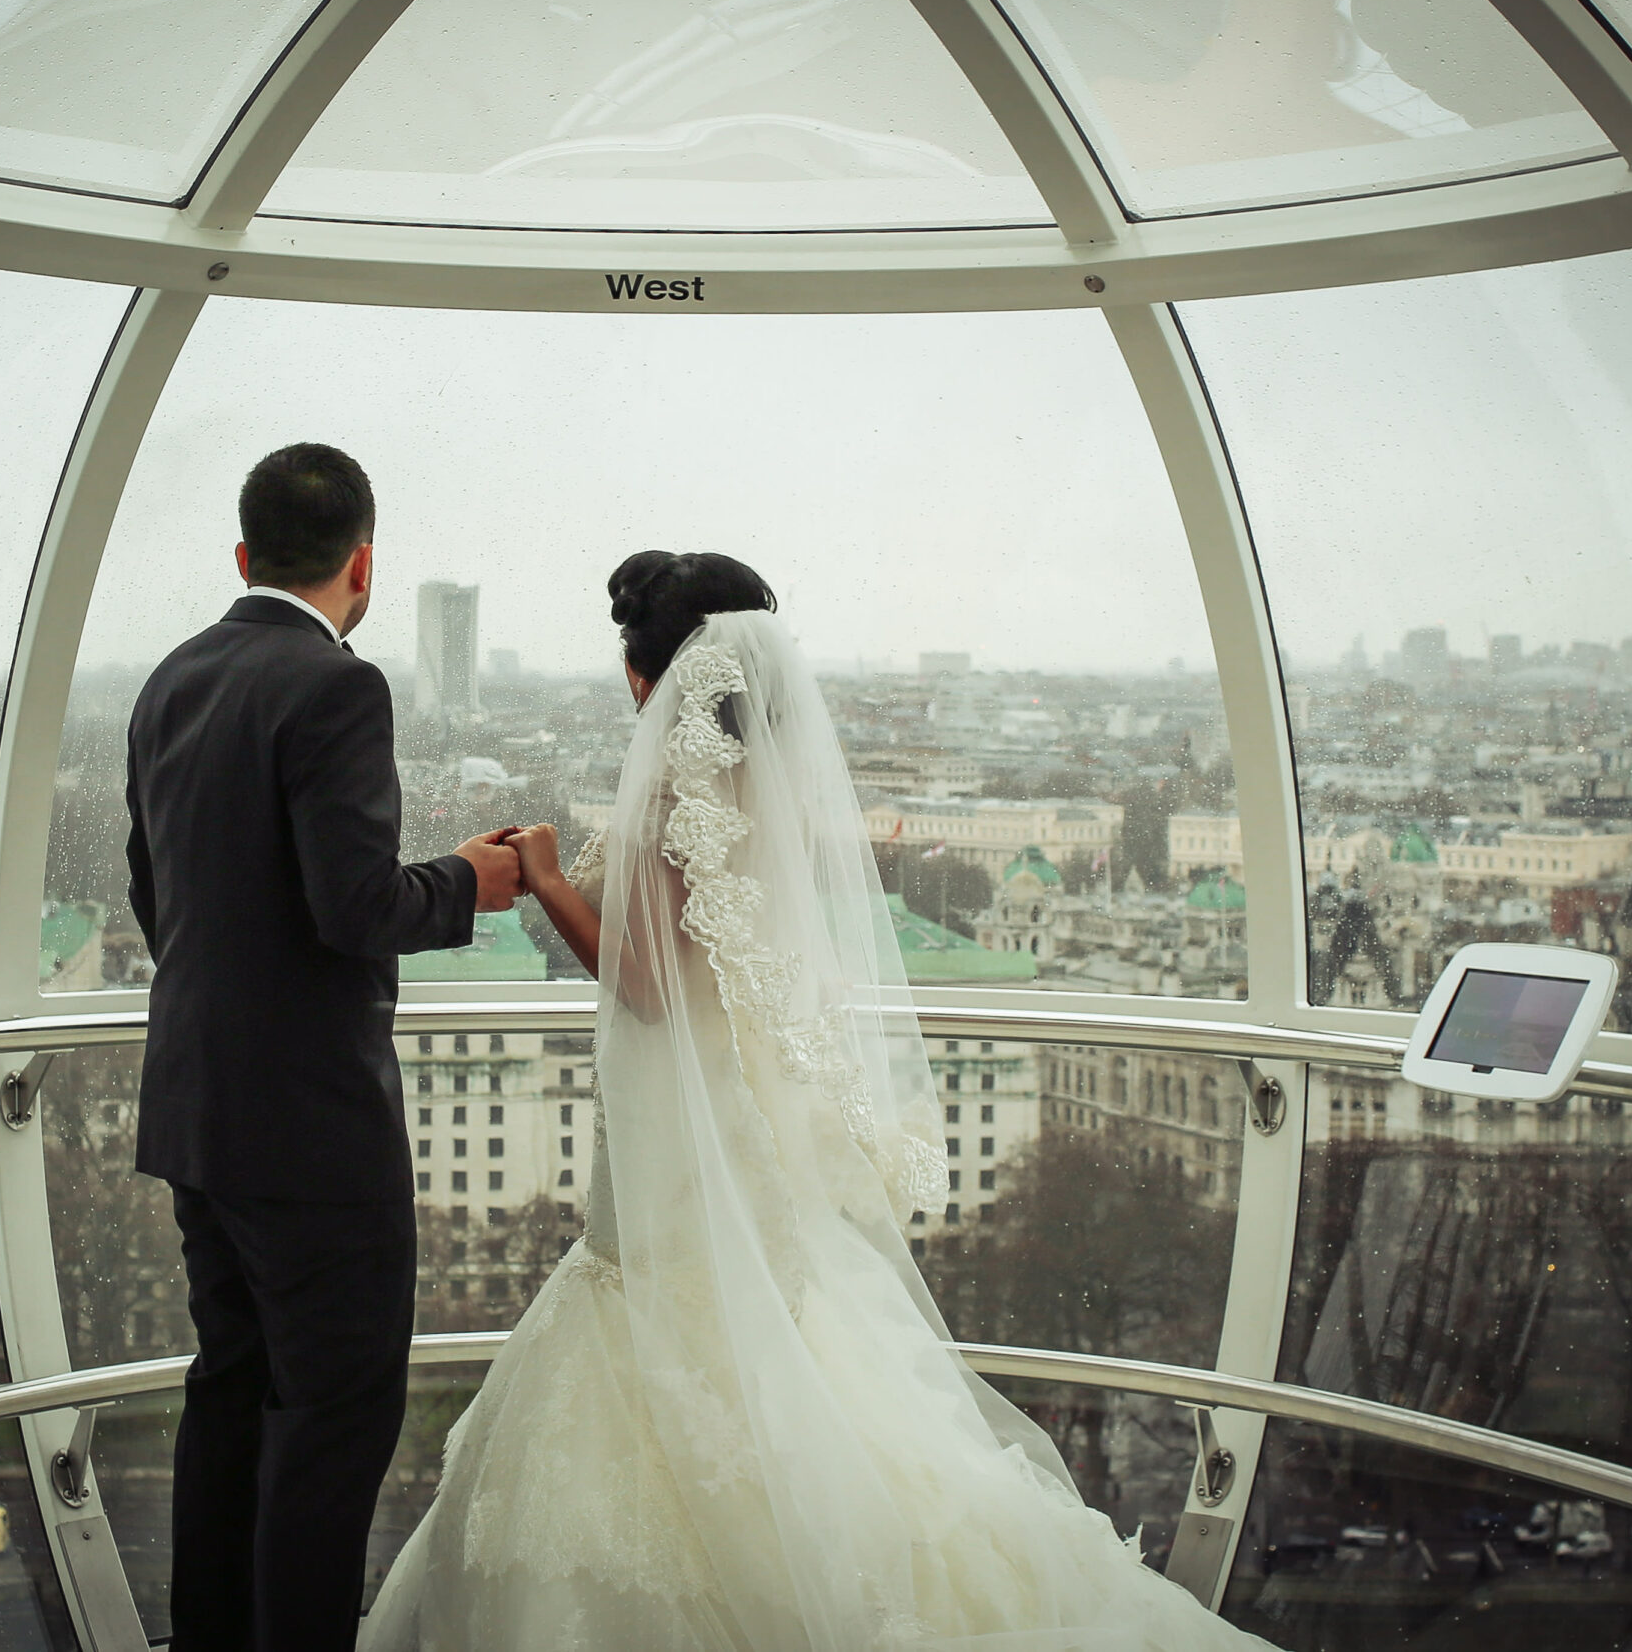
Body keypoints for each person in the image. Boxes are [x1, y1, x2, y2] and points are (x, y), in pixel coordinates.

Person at [361, 552, 1274, 1652]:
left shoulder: (668, 803)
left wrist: (549, 880)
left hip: (670, 1124)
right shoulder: (764, 799)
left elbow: (646, 986)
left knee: (642, 1311)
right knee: (765, 1347)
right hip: (735, 1112)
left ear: (647, 675)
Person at [124, 442, 523, 1652]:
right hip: (309, 1130)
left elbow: (154, 894)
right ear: (364, 565)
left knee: (229, 1395)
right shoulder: (336, 687)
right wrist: (470, 880)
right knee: (334, 1423)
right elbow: (354, 907)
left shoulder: (173, 677)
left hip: (197, 1109)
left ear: (244, 555)